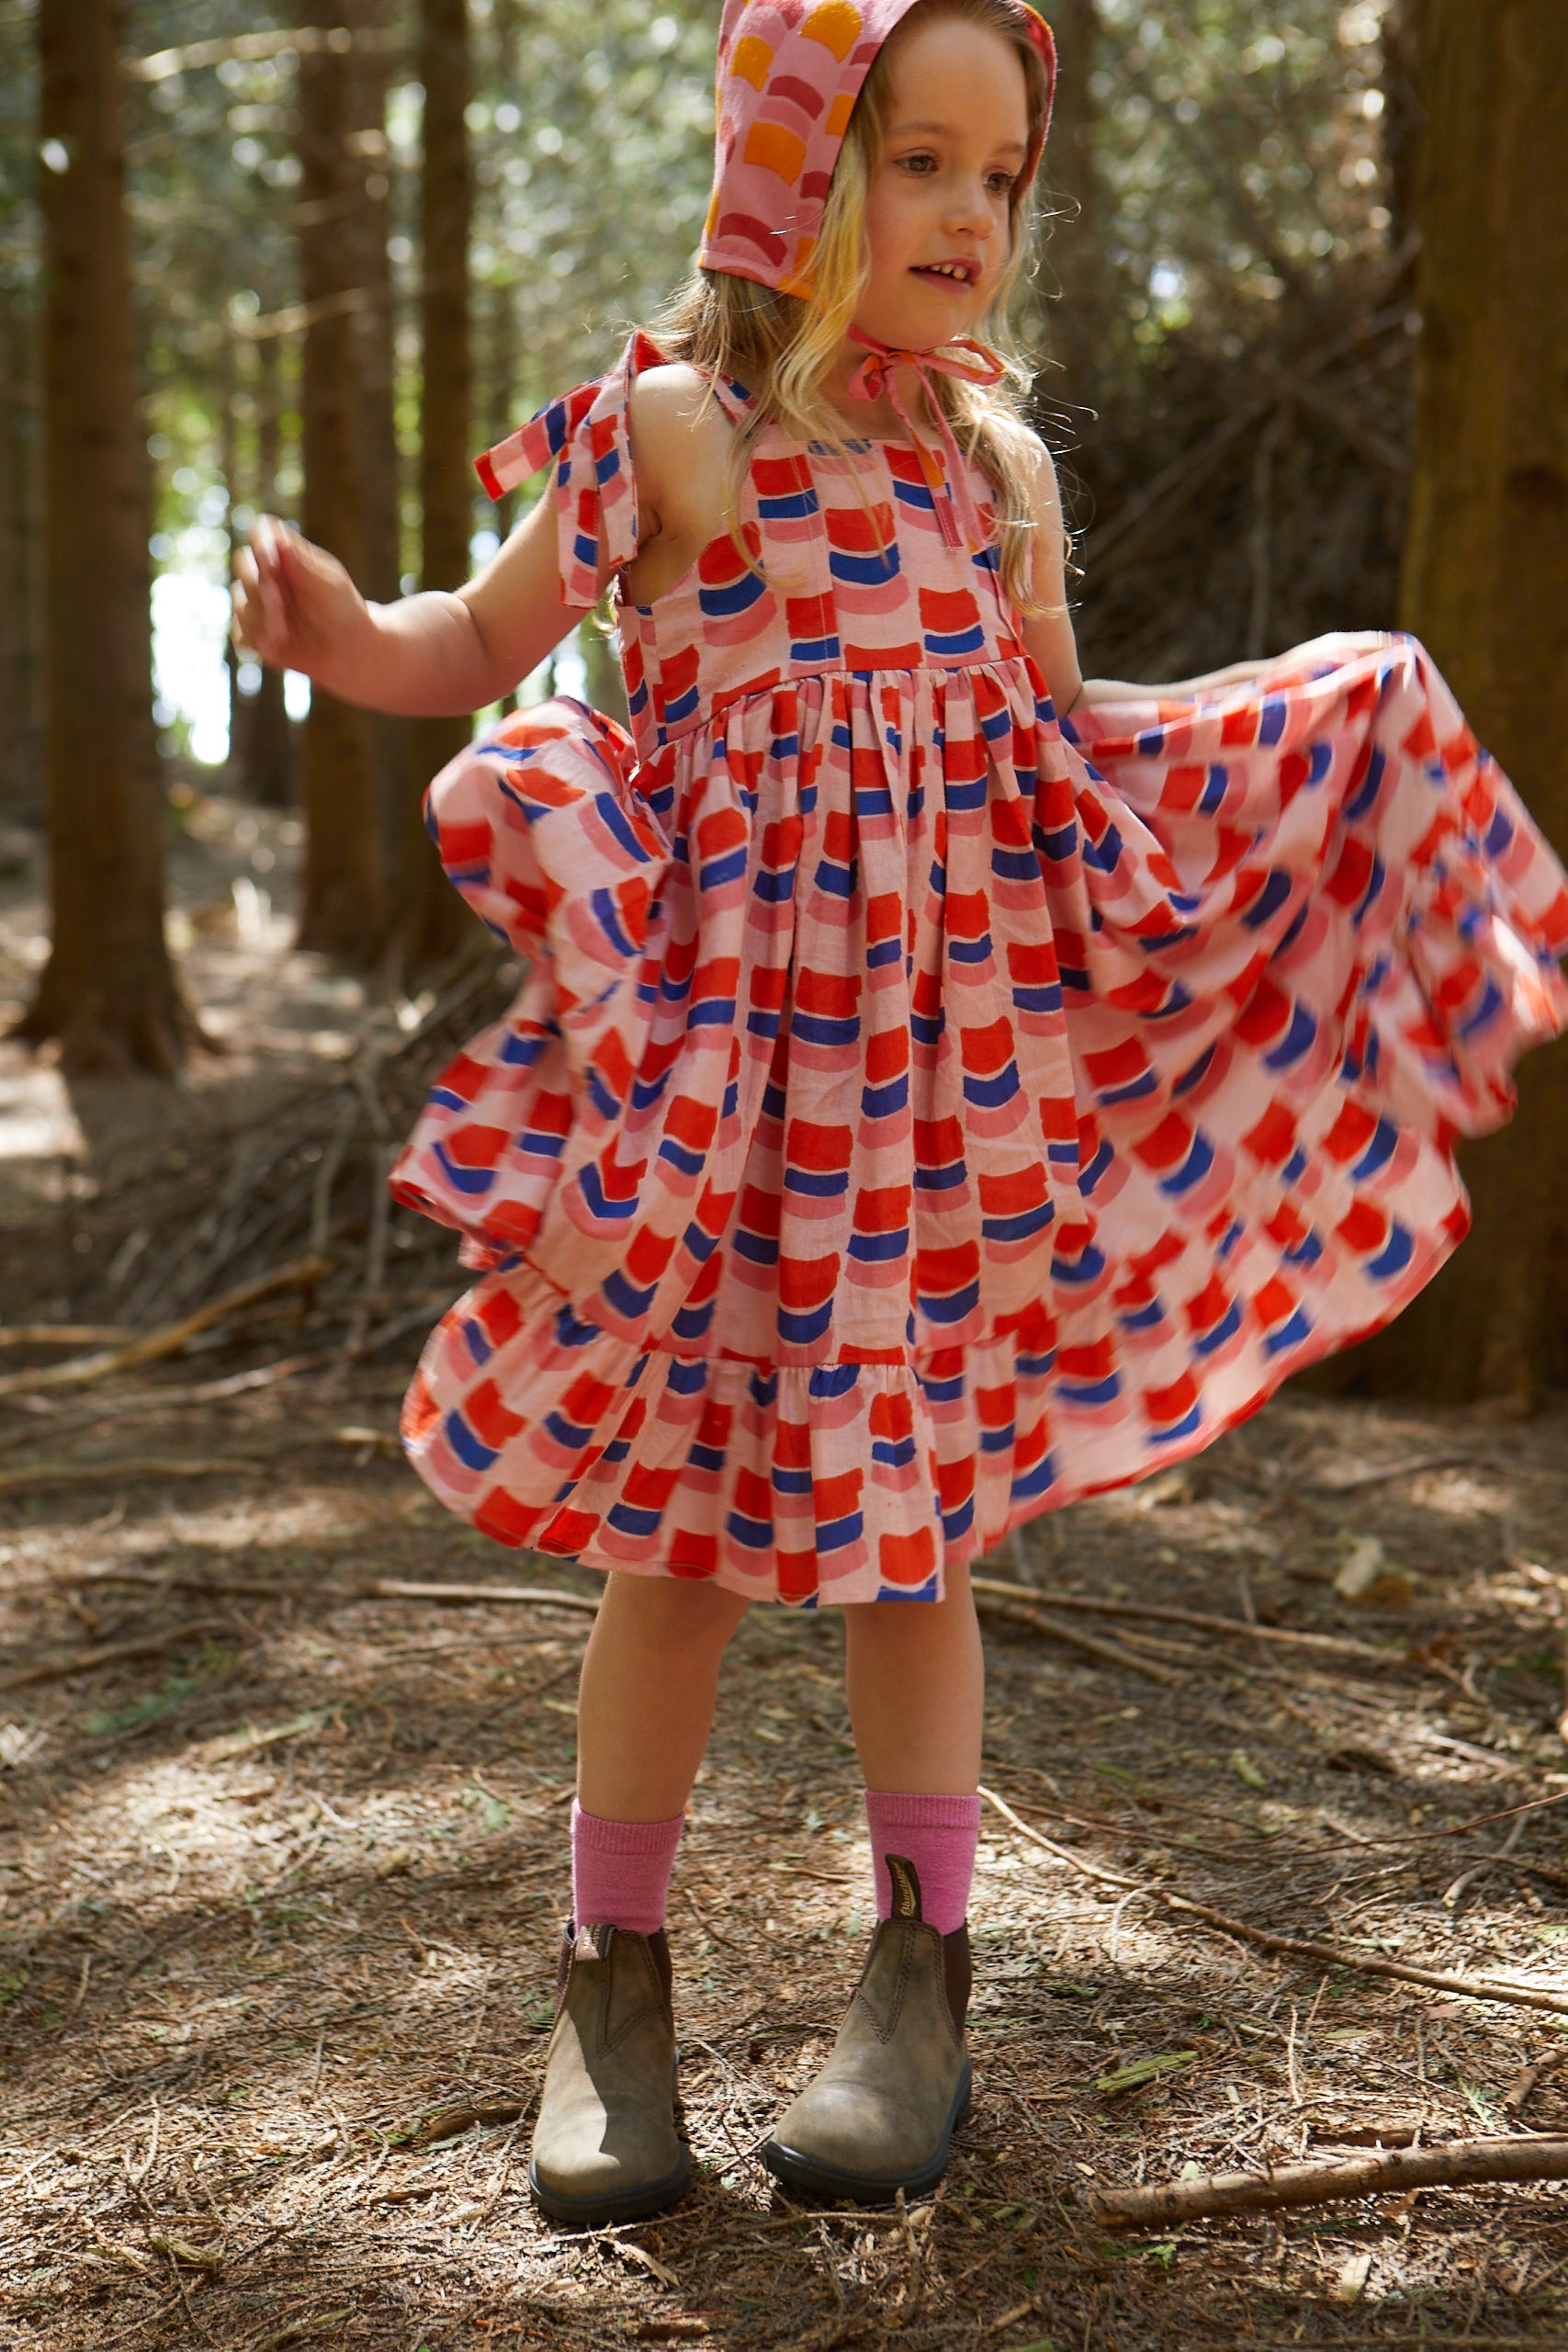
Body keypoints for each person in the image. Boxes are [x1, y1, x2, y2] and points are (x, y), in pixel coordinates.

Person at [232, 0, 1568, 2229]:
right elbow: (472, 645)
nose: (963, 213)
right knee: (673, 1543)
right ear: (791, 159)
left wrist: (1301, 747)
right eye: (914, 159)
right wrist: (337, 626)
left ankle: (916, 1969)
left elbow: (1053, 753)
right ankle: (608, 1978)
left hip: (933, 1113)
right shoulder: (673, 434)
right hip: (726, 1106)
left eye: (998, 175)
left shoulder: (992, 474)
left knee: (907, 1539)